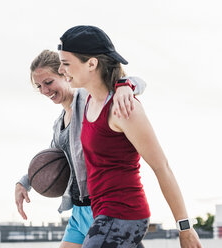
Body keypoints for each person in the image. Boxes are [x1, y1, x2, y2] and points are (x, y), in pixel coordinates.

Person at [57, 25, 202, 248]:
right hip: (104, 214)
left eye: (66, 63)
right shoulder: (86, 101)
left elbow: (162, 167)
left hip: (124, 214)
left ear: (92, 63)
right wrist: (127, 83)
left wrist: (185, 228)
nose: (61, 69)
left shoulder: (123, 109)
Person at [15, 50, 146, 248]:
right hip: (79, 210)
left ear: (64, 74)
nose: (44, 90)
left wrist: (125, 86)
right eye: (39, 86)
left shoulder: (88, 100)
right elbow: (52, 158)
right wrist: (24, 182)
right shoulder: (58, 123)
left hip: (104, 207)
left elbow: (139, 82)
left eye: (48, 82)